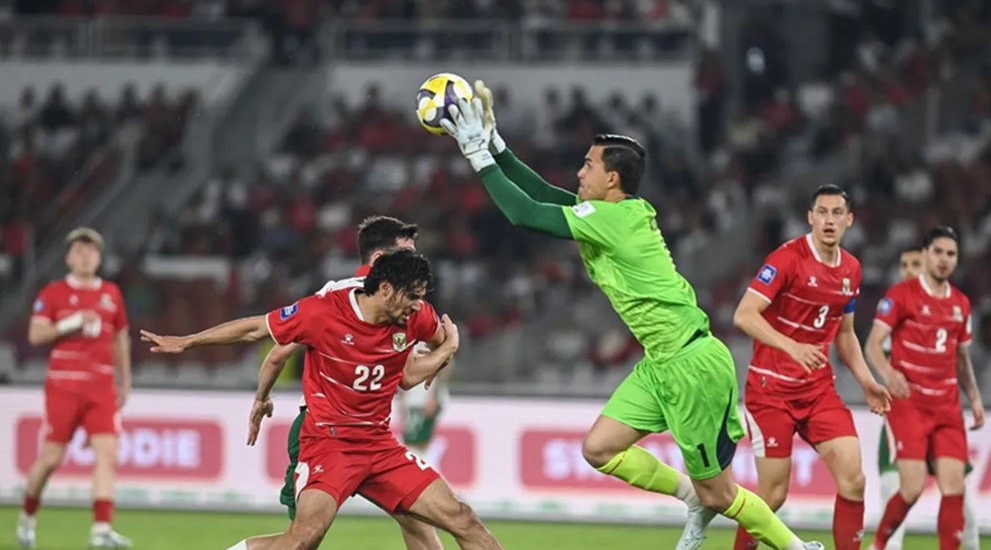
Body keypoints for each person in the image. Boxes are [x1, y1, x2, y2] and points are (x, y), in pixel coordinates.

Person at [441, 84, 823, 550]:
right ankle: (691, 499)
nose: (579, 172)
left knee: (722, 492)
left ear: (612, 181)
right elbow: (543, 193)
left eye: (588, 165)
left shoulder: (614, 219)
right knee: (599, 449)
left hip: (691, 366)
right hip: (660, 363)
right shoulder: (608, 213)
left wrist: (477, 155)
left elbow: (526, 213)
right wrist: (498, 147)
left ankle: (797, 547)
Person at [140, 250, 503, 550]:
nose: (418, 306)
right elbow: (255, 328)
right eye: (413, 295)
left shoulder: (416, 317)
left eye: (422, 297)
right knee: (303, 540)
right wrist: (189, 341)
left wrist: (445, 354)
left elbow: (435, 347)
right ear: (387, 288)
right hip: (328, 444)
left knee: (462, 519)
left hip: (379, 446)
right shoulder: (323, 312)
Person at [241, 215, 444, 550]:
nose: (416, 261)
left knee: (417, 518)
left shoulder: (399, 304)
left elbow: (409, 367)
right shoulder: (343, 298)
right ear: (380, 260)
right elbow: (279, 350)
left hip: (369, 435)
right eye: (407, 252)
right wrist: (442, 354)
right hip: (324, 430)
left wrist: (262, 397)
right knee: (302, 540)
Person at [731, 184, 892, 550]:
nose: (829, 220)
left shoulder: (851, 268)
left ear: (849, 220)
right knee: (772, 496)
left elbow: (846, 335)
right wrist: (792, 346)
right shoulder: (786, 259)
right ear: (810, 217)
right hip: (771, 392)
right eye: (822, 212)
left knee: (854, 480)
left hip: (818, 392)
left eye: (837, 213)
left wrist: (867, 382)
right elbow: (743, 315)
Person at [865, 225, 986, 550]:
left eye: (951, 254)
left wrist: (974, 398)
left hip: (947, 406)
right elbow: (873, 345)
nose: (944, 260)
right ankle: (879, 542)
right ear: (926, 254)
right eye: (939, 252)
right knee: (911, 488)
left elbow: (961, 359)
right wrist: (888, 373)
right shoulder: (901, 296)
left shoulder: (961, 304)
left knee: (954, 490)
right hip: (910, 403)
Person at [18, 228, 133, 549]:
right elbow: (36, 336)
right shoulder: (53, 293)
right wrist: (71, 323)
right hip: (64, 385)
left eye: (91, 251)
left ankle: (101, 530)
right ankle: (27, 517)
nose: (85, 256)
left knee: (107, 455)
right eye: (79, 250)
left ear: (99, 257)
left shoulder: (111, 293)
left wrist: (126, 379)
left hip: (101, 386)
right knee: (52, 459)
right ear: (69, 256)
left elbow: (120, 337)